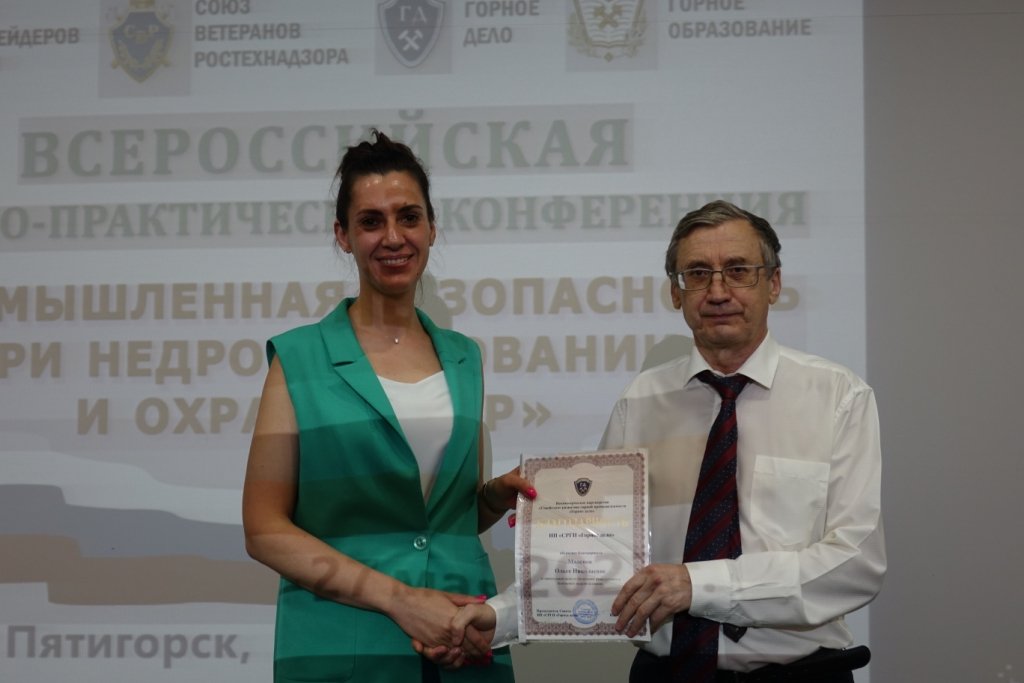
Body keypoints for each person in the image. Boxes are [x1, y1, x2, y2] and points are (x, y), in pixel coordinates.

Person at [445, 200, 886, 681]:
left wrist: (699, 585)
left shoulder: (838, 397)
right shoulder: (640, 401)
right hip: (666, 672)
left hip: (802, 673)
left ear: (774, 283)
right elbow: (594, 550)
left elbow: (855, 565)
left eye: (738, 270)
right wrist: (502, 618)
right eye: (697, 274)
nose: (718, 291)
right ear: (676, 293)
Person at [242, 130, 532, 683]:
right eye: (371, 221)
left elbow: (436, 518)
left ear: (432, 228)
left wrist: (493, 496)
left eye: (409, 217)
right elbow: (263, 529)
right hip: (344, 649)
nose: (393, 237)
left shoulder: (464, 357)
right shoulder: (299, 359)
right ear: (343, 236)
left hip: (462, 639)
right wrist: (402, 601)